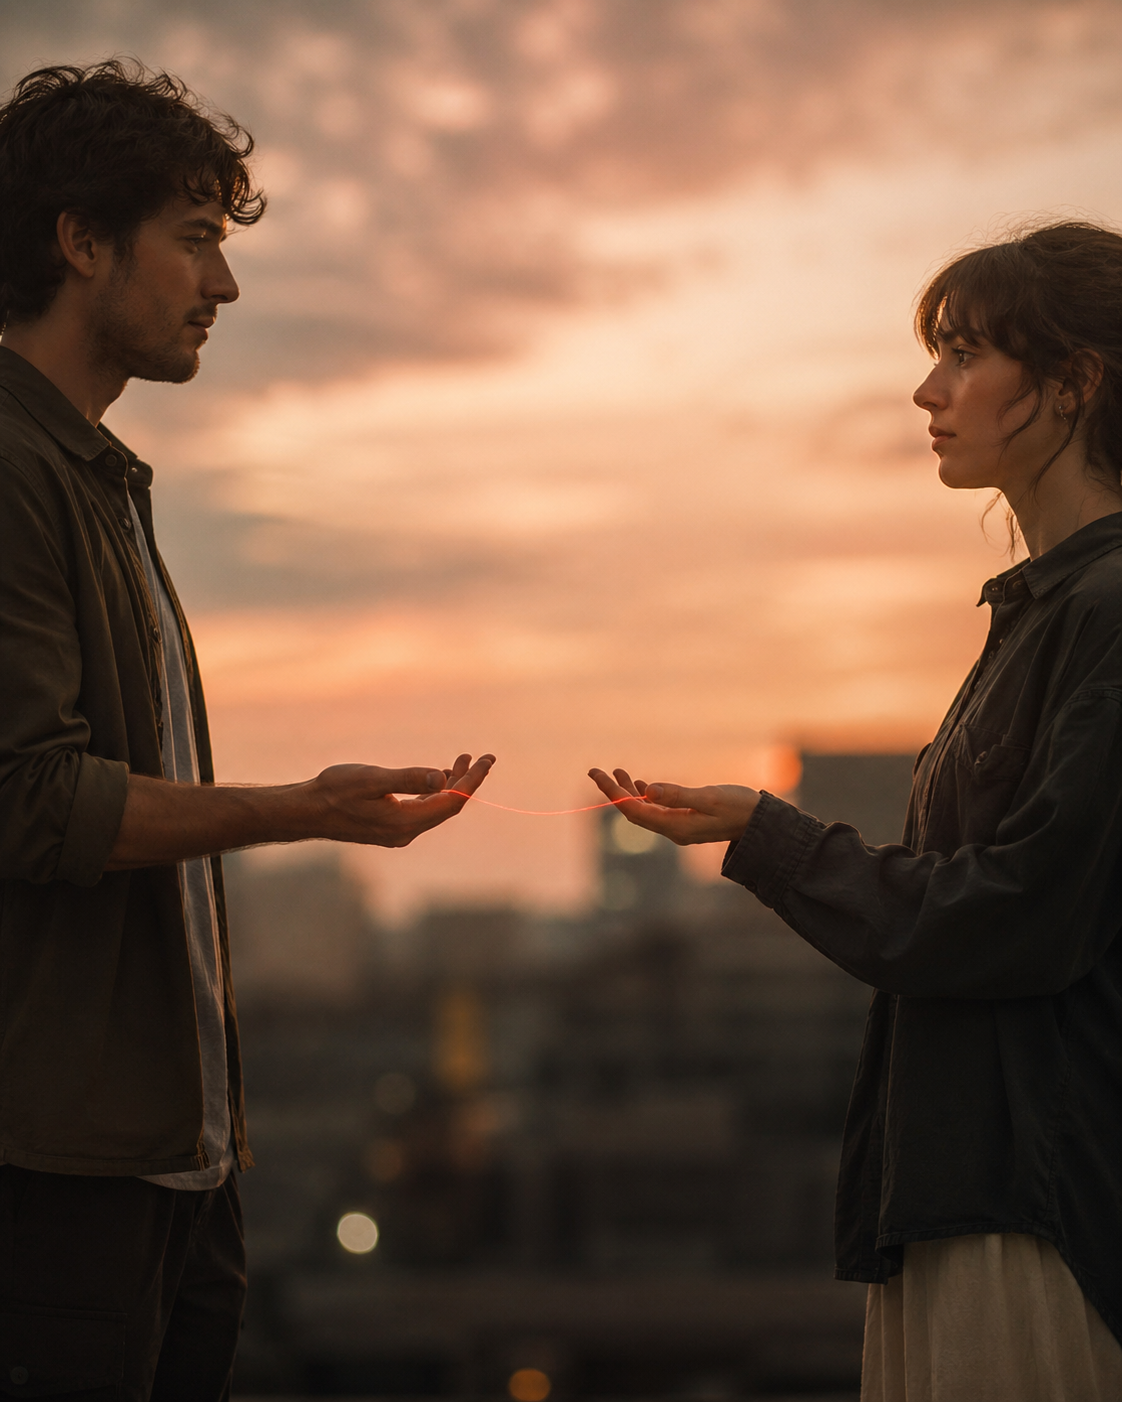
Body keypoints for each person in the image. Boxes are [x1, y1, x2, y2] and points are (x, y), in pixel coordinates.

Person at [0, 61, 493, 1399]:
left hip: (171, 1158)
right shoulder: (14, 467)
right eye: (197, 240)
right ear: (81, 241)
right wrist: (303, 807)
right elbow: (34, 803)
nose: (222, 287)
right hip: (56, 1171)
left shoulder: (92, 476)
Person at [590, 222, 1122, 1401]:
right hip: (972, 1196)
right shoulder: (1047, 609)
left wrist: (767, 838)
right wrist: (751, 827)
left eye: (968, 356)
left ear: (1076, 382)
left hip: (1043, 1213)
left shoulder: (1108, 608)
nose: (927, 390)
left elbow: (1013, 917)